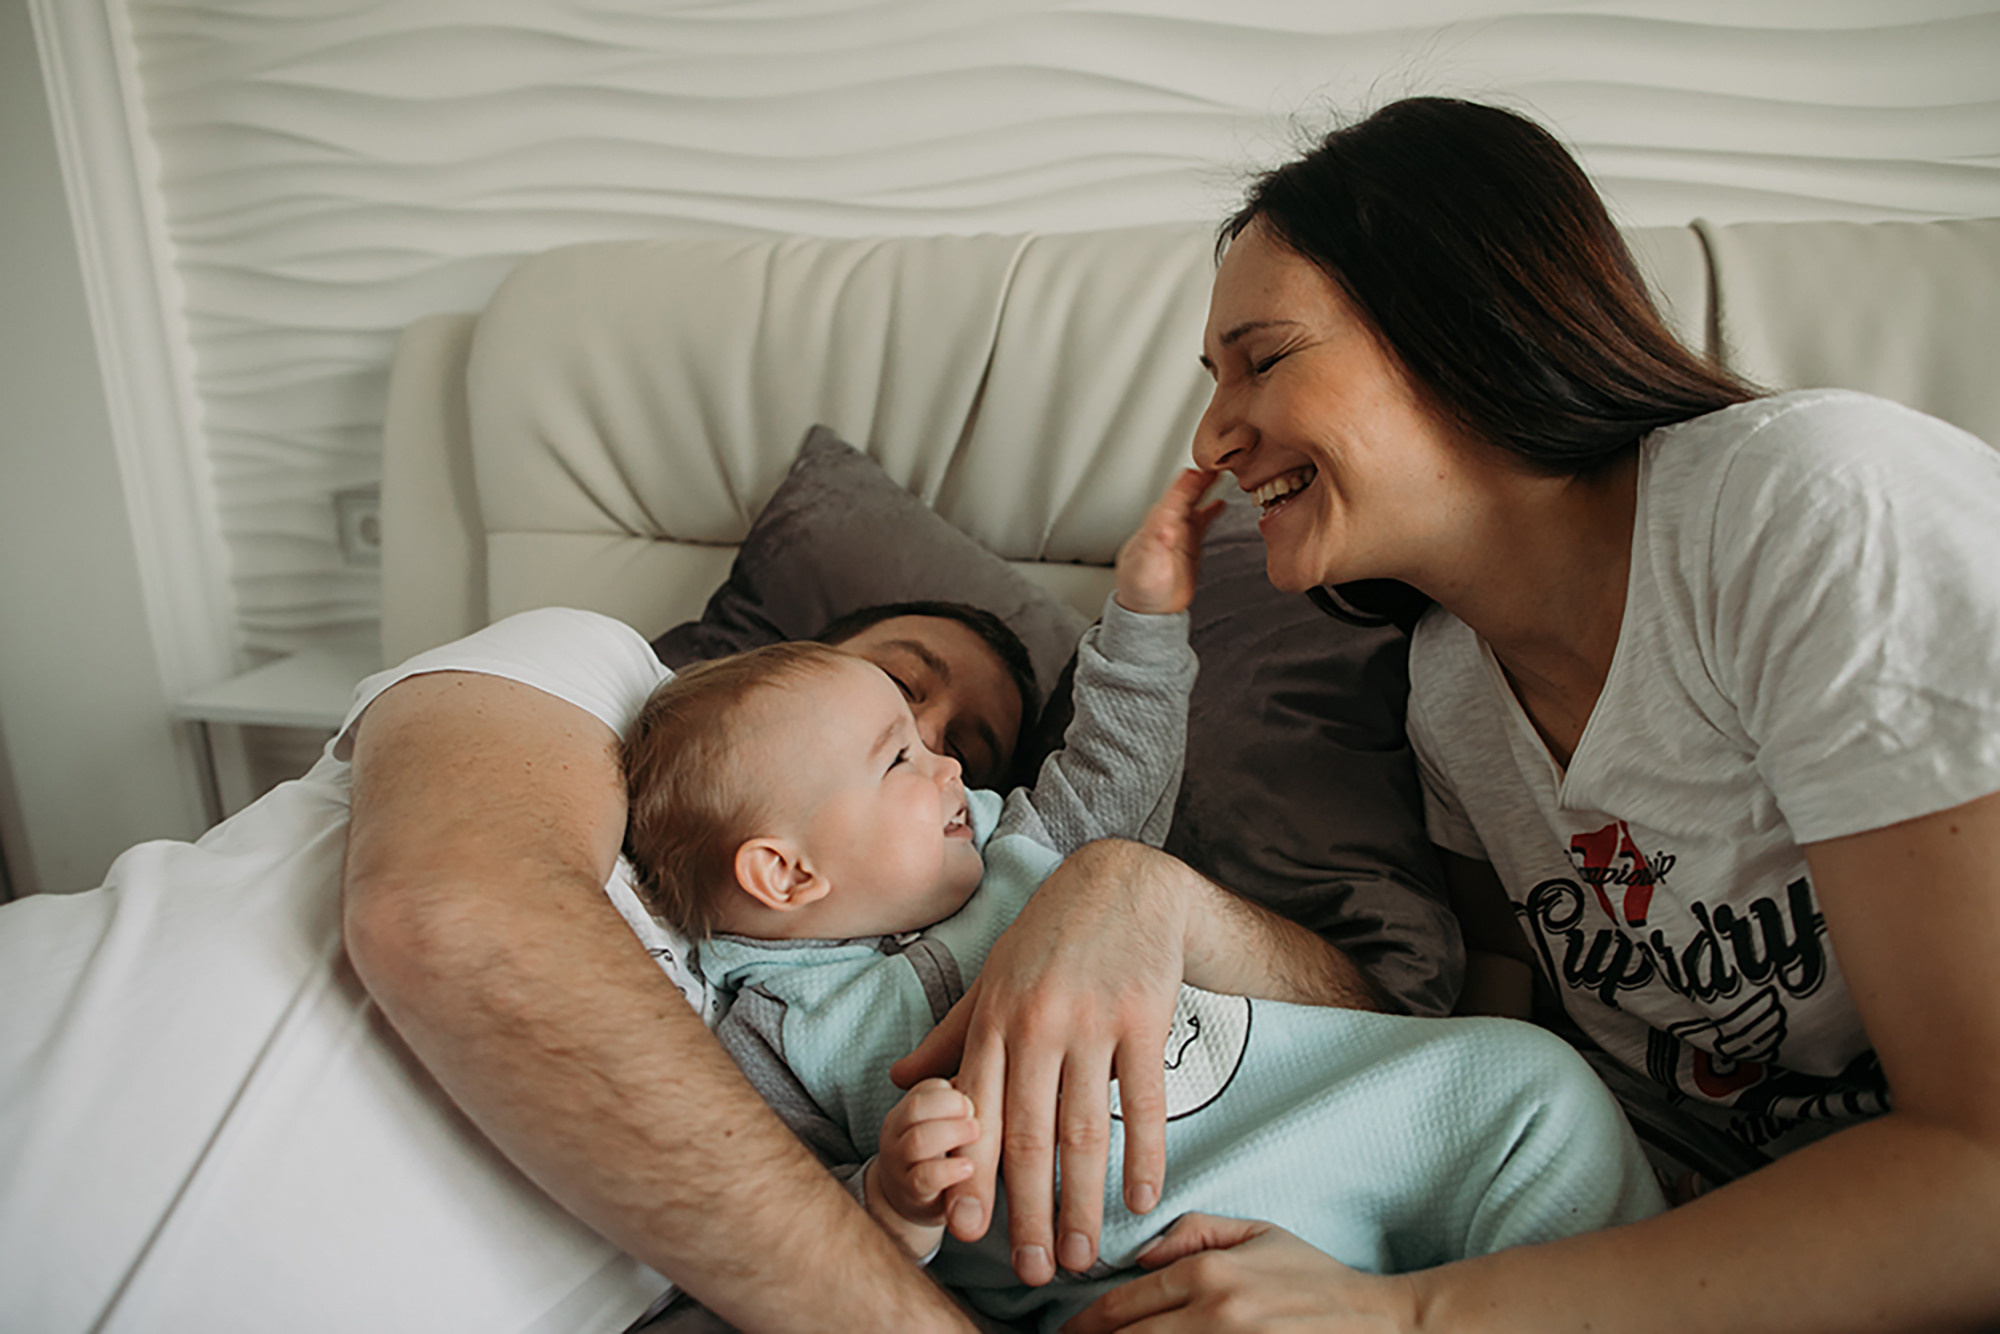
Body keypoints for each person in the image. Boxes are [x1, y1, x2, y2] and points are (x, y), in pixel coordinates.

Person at [1047, 96, 2000, 1332]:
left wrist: (1407, 1311)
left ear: (1458, 320)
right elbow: (1490, 1033)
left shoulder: (1811, 510)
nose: (1211, 432)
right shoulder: (1451, 690)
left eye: (1262, 358)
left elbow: (1981, 1173)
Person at [620, 473, 1663, 1332]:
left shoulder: (1015, 844)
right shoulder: (762, 1031)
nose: (944, 764)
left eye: (962, 748)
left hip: (1312, 1131)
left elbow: (1118, 755)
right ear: (785, 871)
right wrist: (888, 1202)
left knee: (1538, 1088)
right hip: (1120, 1281)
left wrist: (1149, 610)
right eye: (898, 750)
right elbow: (772, 1217)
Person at [0, 593, 1047, 1332]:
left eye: (969, 750)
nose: (934, 748)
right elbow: (453, 914)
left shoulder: (816, 1042)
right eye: (894, 693)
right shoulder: (590, 674)